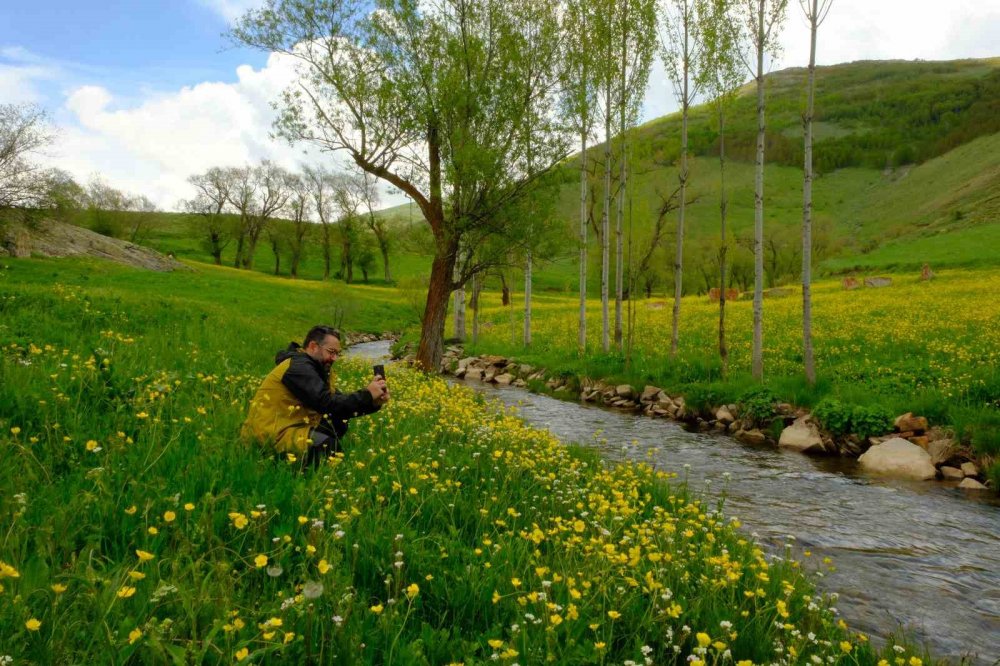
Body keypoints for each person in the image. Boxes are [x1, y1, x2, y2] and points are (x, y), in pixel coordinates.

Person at [241, 325, 389, 467]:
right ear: (313, 346)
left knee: (339, 422)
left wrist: (373, 402)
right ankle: (301, 470)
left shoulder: (314, 368)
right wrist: (367, 394)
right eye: (331, 352)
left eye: (337, 353)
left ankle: (311, 459)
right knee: (327, 446)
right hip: (269, 434)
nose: (334, 358)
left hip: (291, 424)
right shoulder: (298, 367)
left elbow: (340, 404)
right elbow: (327, 403)